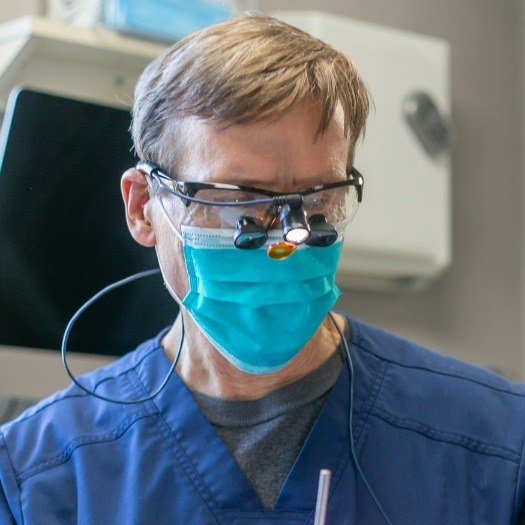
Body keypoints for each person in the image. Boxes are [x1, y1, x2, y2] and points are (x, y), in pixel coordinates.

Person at [1, 13, 525, 525]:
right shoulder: (37, 477)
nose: (290, 237)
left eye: (320, 198)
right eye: (240, 199)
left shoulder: (498, 444)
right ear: (142, 207)